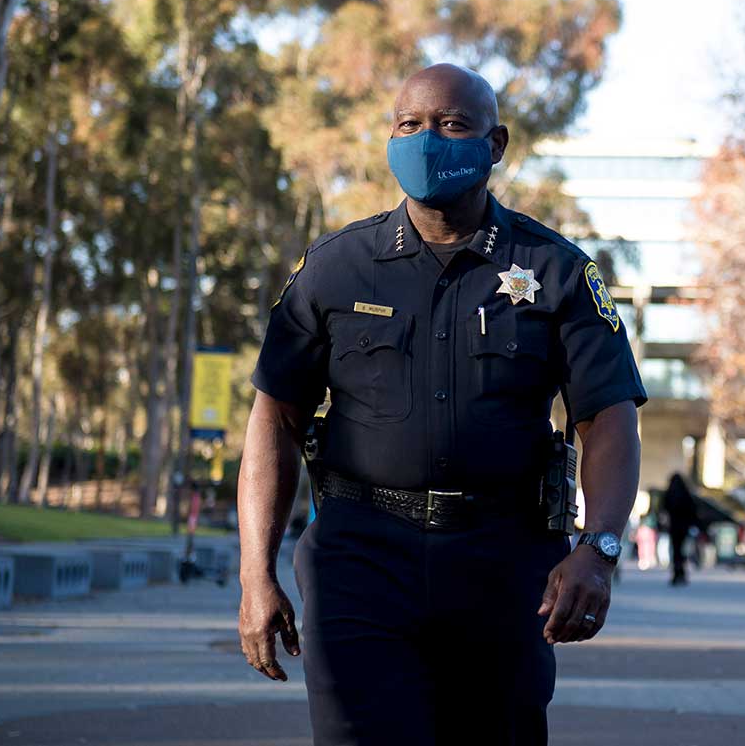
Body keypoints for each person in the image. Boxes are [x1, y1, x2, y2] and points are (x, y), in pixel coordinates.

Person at [235, 64, 647, 746]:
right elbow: (273, 416)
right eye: (409, 124)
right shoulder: (335, 268)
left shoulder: (556, 271)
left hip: (503, 562)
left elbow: (608, 415)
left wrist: (597, 548)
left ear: (496, 144)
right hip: (360, 560)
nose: (428, 140)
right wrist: (257, 574)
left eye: (452, 124)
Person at [663, 473, 699, 586]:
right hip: (684, 528)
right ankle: (682, 573)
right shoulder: (686, 494)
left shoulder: (669, 494)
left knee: (676, 551)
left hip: (674, 527)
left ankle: (676, 573)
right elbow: (693, 510)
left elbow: (664, 509)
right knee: (683, 551)